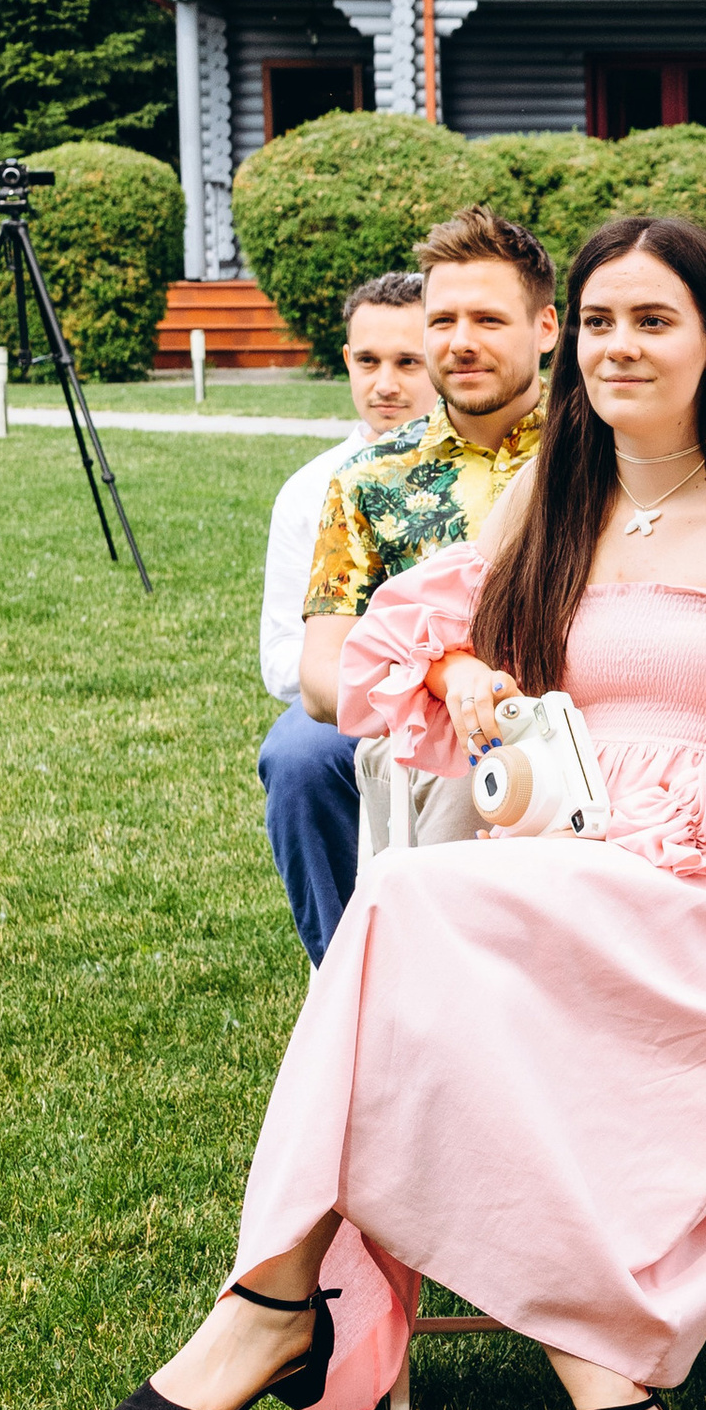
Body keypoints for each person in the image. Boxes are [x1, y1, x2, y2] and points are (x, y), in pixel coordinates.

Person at [81, 215, 706, 1410]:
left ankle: (275, 1296)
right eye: (601, 321)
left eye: (654, 321)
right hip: (556, 855)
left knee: (400, 908)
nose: (619, 346)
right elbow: (392, 645)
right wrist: (462, 673)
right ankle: (608, 1403)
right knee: (417, 926)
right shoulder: (554, 492)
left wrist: (679, 818)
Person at [280, 207, 561, 920]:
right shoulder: (369, 478)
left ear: (547, 328)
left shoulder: (602, 450)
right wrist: (438, 678)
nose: (461, 342)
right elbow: (321, 678)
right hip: (439, 758)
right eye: (442, 322)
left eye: (488, 320)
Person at [254, 274, 436, 962]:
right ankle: (342, 971)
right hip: (356, 700)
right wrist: (383, 673)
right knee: (297, 756)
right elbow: (282, 658)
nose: (385, 384)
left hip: (483, 690)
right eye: (368, 361)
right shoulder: (311, 489)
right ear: (346, 360)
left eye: (407, 362)